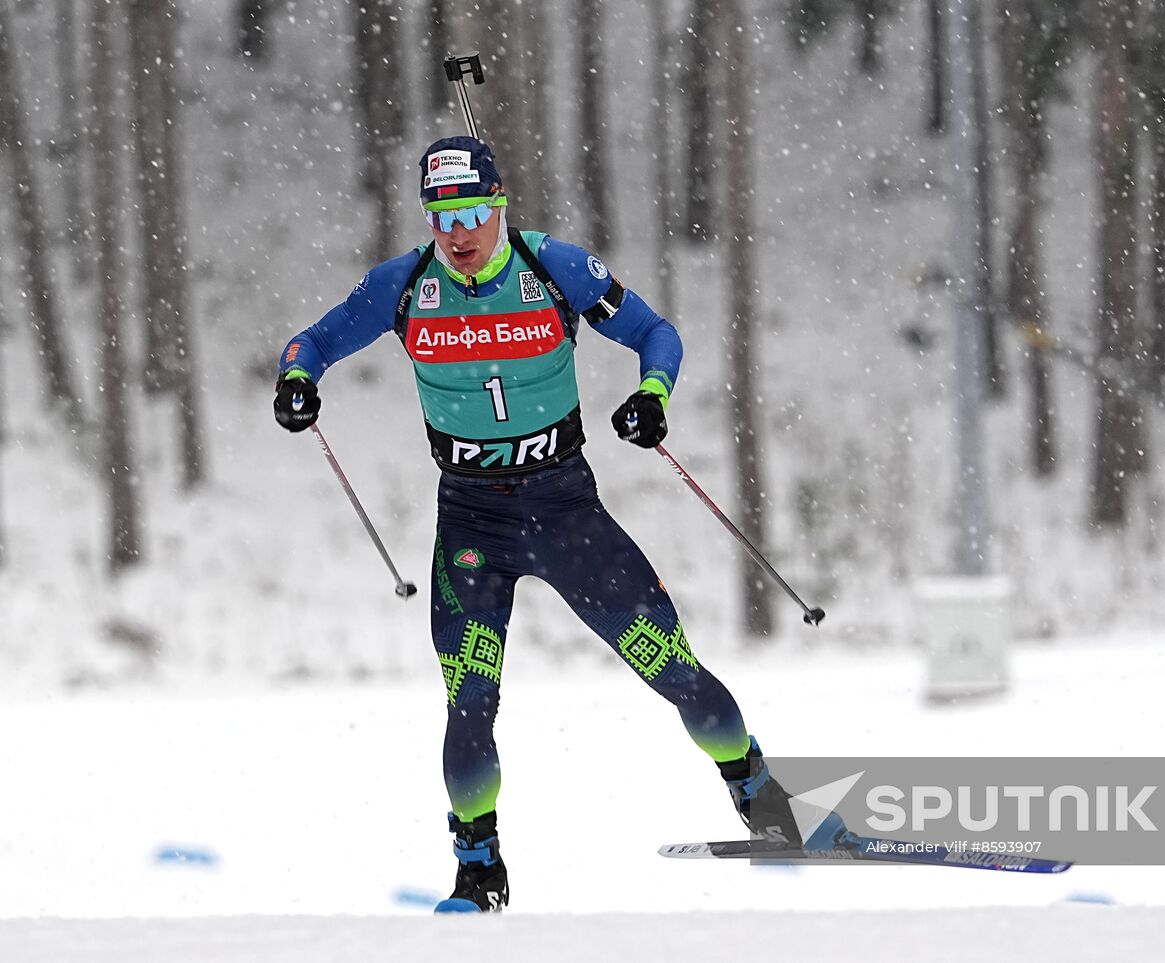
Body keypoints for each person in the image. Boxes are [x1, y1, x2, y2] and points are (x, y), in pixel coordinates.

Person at [273, 136, 820, 913]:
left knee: (673, 670)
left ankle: (756, 788)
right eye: (441, 216)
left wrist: (653, 394)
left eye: (471, 211)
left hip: (566, 510)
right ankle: (478, 868)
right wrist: (296, 379)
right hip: (469, 522)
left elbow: (656, 334)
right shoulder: (404, 286)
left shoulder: (553, 266)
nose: (458, 233)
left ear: (498, 205)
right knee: (469, 700)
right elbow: (315, 341)